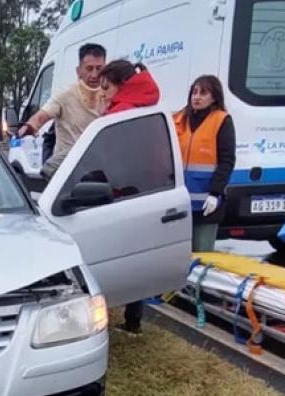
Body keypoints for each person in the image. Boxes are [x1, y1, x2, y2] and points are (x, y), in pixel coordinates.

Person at [99, 59, 161, 335]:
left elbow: (102, 157)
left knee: (113, 257)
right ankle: (133, 319)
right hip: (147, 194)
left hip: (119, 194)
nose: (102, 92)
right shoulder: (148, 107)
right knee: (136, 259)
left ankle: (102, 317)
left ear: (121, 85)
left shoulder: (119, 113)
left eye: (106, 87)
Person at [18, 43, 107, 179]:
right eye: (89, 69)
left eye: (99, 68)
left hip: (99, 169)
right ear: (78, 71)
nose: (94, 75)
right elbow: (42, 116)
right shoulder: (65, 96)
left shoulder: (110, 95)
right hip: (68, 172)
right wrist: (29, 126)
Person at [173, 76, 236, 252]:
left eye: (203, 93)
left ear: (214, 97)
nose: (197, 97)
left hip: (206, 204)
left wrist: (216, 193)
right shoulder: (179, 119)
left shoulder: (221, 120)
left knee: (202, 255)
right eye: (194, 92)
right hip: (180, 202)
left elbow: (227, 161)